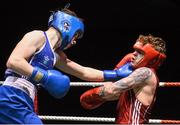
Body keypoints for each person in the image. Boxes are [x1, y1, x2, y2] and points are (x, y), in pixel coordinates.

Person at [0, 6, 133, 124]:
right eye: (76, 36)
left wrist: (115, 74)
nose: (74, 42)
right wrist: (44, 77)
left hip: (23, 100)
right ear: (67, 26)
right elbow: (14, 61)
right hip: (11, 96)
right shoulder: (37, 36)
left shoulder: (55, 55)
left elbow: (83, 72)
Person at [80, 34, 166, 124]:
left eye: (140, 52)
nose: (134, 54)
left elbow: (111, 90)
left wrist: (90, 95)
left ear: (151, 58)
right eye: (135, 50)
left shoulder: (145, 72)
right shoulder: (139, 74)